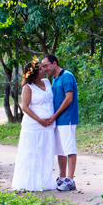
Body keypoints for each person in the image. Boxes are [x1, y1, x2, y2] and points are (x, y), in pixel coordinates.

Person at [11, 58, 60, 192]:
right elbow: (25, 107)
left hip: (49, 125)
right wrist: (39, 120)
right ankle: (30, 182)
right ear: (32, 73)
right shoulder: (28, 87)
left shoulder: (47, 83)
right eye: (39, 69)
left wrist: (51, 118)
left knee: (46, 151)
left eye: (42, 68)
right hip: (34, 126)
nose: (43, 70)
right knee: (32, 153)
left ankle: (45, 180)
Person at [40, 53, 79, 191]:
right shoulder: (55, 79)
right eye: (43, 67)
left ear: (54, 63)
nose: (45, 69)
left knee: (69, 148)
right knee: (60, 150)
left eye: (46, 65)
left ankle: (70, 179)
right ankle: (62, 177)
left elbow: (68, 98)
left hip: (66, 118)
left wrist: (55, 115)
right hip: (58, 120)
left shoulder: (66, 76)